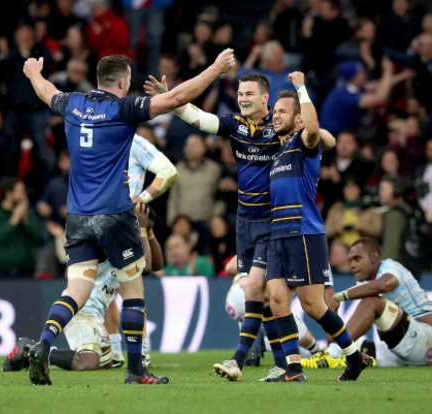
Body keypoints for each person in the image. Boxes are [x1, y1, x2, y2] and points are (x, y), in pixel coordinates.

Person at [22, 48, 236, 385]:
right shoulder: (124, 108)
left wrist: (34, 72)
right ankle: (136, 371)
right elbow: (178, 97)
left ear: (98, 80)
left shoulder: (74, 104)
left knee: (76, 290)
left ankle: (43, 346)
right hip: (115, 214)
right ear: (123, 83)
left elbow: (47, 91)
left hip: (77, 215)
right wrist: (215, 68)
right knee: (133, 291)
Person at [144, 72, 337, 381]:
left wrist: (324, 136)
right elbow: (200, 119)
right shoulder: (236, 126)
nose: (242, 98)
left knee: (253, 289)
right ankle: (284, 363)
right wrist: (173, 99)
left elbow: (318, 138)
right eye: (239, 93)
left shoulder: (278, 127)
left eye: (249, 93)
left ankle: (239, 359)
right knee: (262, 296)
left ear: (265, 98)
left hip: (271, 222)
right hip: (244, 222)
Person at [263, 74, 372, 382]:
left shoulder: (304, 144)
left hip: (304, 233)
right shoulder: (278, 152)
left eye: (282, 111)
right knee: (276, 301)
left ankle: (353, 358)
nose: (275, 115)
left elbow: (314, 130)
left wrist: (300, 87)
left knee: (313, 307)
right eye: (275, 112)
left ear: (297, 120)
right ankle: (293, 369)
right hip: (278, 234)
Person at [3, 203, 163, 372]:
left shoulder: (125, 238)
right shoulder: (113, 238)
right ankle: (30, 349)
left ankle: (34, 354)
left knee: (106, 363)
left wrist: (149, 232)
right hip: (82, 311)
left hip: (96, 316)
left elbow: (157, 265)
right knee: (88, 363)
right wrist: (143, 230)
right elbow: (145, 267)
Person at [305, 237, 432, 368]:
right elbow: (335, 341)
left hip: (426, 339)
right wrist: (332, 313)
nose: (352, 265)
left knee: (372, 302)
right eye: (350, 260)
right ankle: (327, 356)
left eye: (357, 259)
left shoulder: (391, 267)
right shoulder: (366, 284)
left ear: (374, 257)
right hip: (403, 351)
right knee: (355, 348)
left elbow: (385, 284)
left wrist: (339, 297)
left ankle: (333, 355)